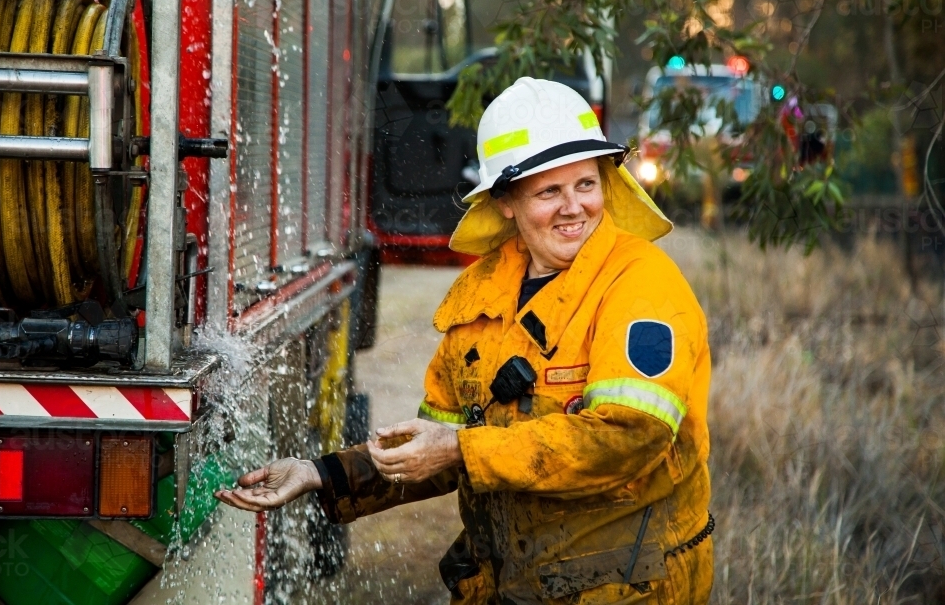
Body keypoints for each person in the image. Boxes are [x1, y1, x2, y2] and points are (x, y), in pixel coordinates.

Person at [216, 77, 714, 604]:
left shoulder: (641, 286)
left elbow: (630, 438)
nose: (575, 208)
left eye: (586, 184)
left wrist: (459, 446)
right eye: (550, 191)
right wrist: (320, 474)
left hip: (629, 590)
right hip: (512, 588)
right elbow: (438, 445)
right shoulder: (482, 297)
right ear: (504, 201)